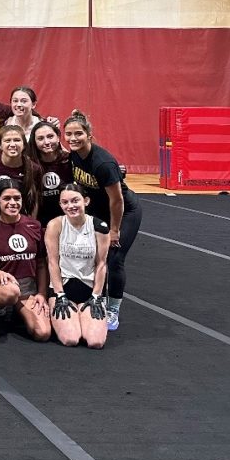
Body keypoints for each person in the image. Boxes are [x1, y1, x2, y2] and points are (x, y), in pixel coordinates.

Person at [64, 110, 141, 333]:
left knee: (114, 258)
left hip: (124, 212)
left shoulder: (103, 163)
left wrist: (115, 230)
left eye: (78, 133)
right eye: (68, 134)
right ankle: (96, 298)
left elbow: (117, 200)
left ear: (90, 135)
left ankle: (113, 308)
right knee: (95, 256)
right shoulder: (74, 154)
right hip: (99, 209)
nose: (73, 138)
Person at [46, 184, 110, 349]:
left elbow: (101, 264)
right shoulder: (55, 225)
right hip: (64, 288)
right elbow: (52, 261)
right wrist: (59, 294)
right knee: (71, 339)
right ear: (60, 205)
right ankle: (71, 317)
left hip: (89, 290)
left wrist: (96, 296)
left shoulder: (99, 227)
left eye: (75, 201)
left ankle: (85, 314)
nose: (70, 206)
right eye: (65, 202)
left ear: (86, 201)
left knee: (95, 342)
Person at [0, 180, 50, 342]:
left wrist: (42, 294)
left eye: (17, 198)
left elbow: (42, 263)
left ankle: (16, 312)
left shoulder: (34, 225)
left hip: (27, 288)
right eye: (7, 198)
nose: (12, 203)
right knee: (9, 293)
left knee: (42, 333)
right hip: (2, 286)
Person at [0, 125, 42, 219]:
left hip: (18, 218)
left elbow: (34, 202)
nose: (12, 144)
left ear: (24, 145)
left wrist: (30, 223)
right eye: (7, 140)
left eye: (17, 140)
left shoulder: (33, 169)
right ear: (0, 145)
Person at [25, 119, 72, 226]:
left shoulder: (69, 160)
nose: (46, 142)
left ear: (58, 137)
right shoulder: (30, 165)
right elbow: (34, 199)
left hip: (69, 219)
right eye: (40, 138)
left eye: (50, 137)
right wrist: (33, 225)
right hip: (42, 223)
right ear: (34, 142)